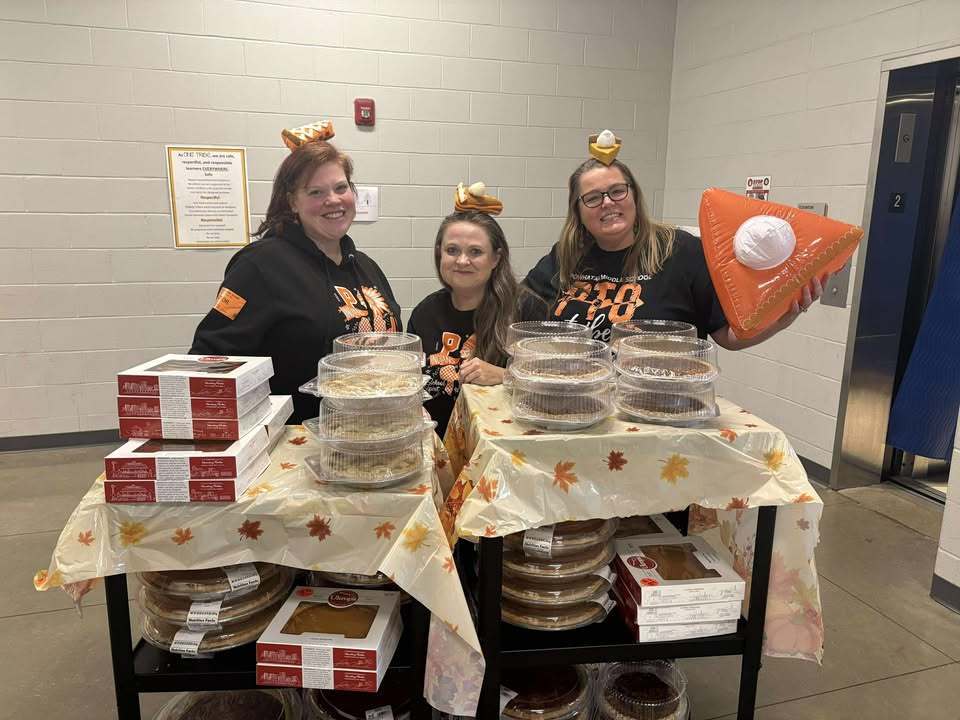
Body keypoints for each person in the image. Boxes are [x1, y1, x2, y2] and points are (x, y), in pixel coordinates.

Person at [190, 139, 401, 423]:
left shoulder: (365, 266)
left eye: (341, 188)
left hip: (374, 430)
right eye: (316, 192)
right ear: (292, 201)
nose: (334, 200)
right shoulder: (260, 265)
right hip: (297, 439)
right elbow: (212, 357)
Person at [524, 157, 825, 348]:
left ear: (634, 196)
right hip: (578, 401)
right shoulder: (566, 257)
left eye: (617, 191)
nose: (607, 202)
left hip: (661, 410)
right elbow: (514, 310)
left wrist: (784, 316)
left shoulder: (681, 251)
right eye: (592, 197)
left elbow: (729, 337)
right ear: (577, 212)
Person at [408, 210, 547, 436]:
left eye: (475, 252)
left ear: (496, 258)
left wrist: (505, 376)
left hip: (502, 448)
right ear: (439, 254)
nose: (462, 261)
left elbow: (553, 387)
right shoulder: (425, 312)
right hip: (438, 446)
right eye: (452, 251)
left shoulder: (527, 309)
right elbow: (412, 383)